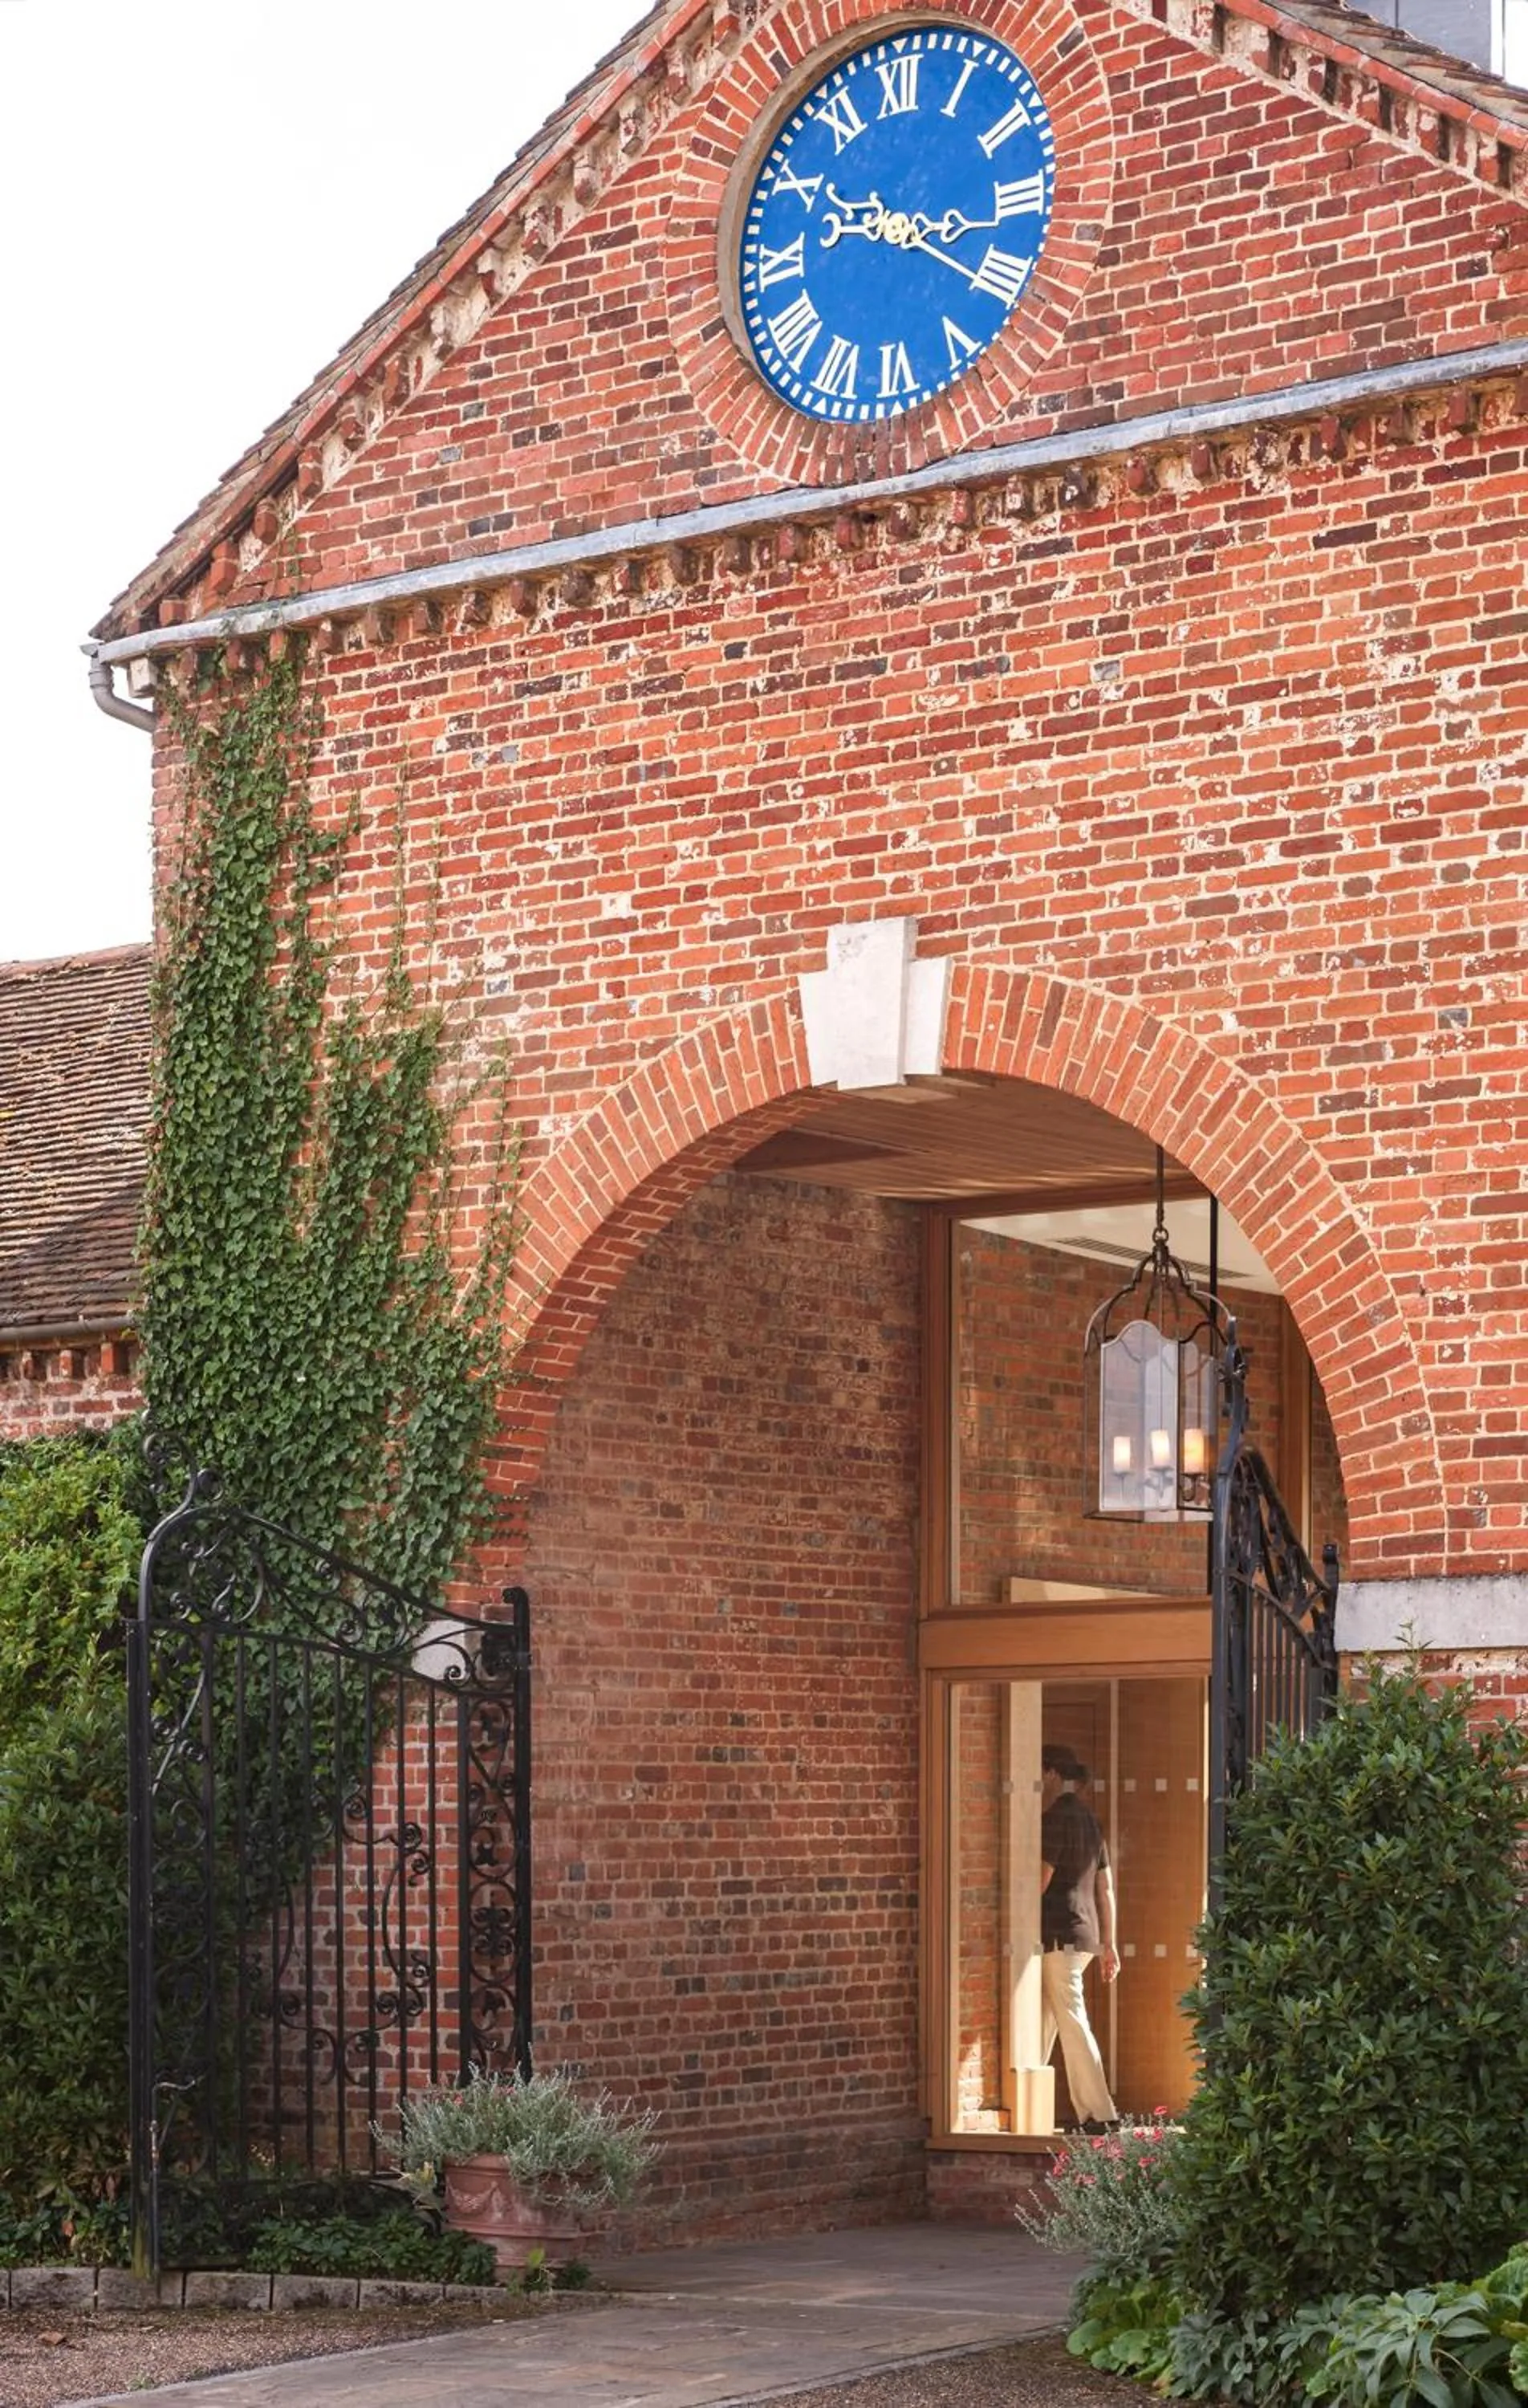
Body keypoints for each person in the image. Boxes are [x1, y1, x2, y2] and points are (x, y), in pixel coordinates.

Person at [1039, 1743, 1120, 2133]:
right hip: (1086, 1935)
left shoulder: (1055, 1818)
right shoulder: (1090, 1820)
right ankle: (1030, 2103)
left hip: (1060, 1934)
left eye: (1041, 1774)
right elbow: (1106, 1889)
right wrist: (1110, 1944)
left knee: (1071, 2020)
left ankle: (1100, 2113)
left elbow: (1040, 1879)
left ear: (1052, 1773)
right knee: (1046, 2018)